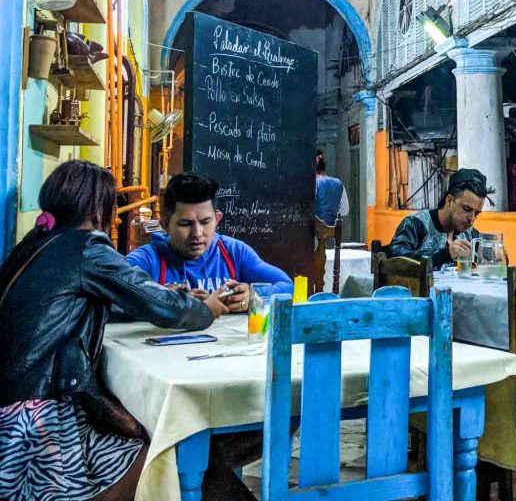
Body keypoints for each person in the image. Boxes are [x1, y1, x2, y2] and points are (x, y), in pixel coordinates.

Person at [0, 160, 228, 501]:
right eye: (111, 205)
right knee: (160, 457)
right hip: (37, 425)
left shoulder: (37, 243)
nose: (117, 215)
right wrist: (204, 310)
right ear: (98, 207)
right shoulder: (85, 246)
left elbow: (98, 302)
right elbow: (156, 304)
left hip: (14, 408)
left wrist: (176, 297)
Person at [127, 172, 292, 311]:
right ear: (165, 225)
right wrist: (159, 297)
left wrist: (254, 295)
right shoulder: (147, 259)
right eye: (185, 224)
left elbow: (287, 287)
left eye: (206, 222)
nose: (197, 234)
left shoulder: (234, 253)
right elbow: (107, 294)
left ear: (217, 219)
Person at [388, 168, 495, 266]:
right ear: (449, 201)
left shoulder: (470, 233)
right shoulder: (416, 223)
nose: (471, 219)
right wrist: (445, 254)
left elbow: (494, 258)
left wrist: (497, 252)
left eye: (476, 213)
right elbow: (395, 257)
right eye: (466, 209)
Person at [314, 151, 350, 225]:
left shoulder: (314, 184)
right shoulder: (338, 183)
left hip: (316, 230)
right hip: (333, 230)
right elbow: (345, 210)